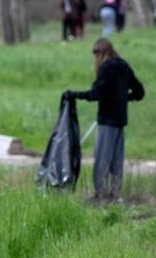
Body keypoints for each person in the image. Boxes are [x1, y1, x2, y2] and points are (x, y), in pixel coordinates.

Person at [62, 38, 145, 201]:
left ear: (101, 53)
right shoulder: (124, 65)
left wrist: (74, 94)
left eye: (96, 54)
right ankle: (115, 194)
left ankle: (101, 194)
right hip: (120, 121)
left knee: (102, 158)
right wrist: (122, 98)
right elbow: (139, 92)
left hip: (107, 121)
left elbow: (95, 94)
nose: (95, 58)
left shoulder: (105, 68)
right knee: (117, 160)